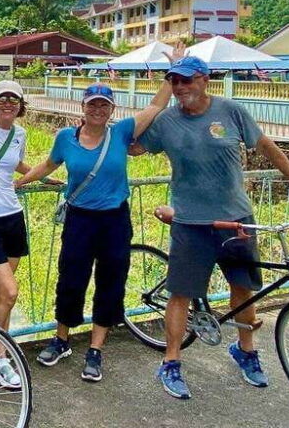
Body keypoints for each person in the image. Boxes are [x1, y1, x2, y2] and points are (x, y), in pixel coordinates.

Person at [131, 55, 289, 400]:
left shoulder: (231, 111)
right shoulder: (166, 121)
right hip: (190, 222)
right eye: (174, 81)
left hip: (236, 219)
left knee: (242, 288)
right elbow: (132, 147)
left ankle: (245, 351)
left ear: (205, 80)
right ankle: (171, 361)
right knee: (181, 293)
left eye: (186, 80)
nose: (180, 87)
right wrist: (152, 108)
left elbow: (266, 146)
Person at [15, 68, 177, 383]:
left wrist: (171, 75)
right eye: (93, 105)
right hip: (79, 219)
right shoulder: (65, 138)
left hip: (114, 219)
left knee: (110, 281)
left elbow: (156, 106)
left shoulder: (121, 133)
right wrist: (21, 181)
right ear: (83, 107)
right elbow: (49, 164)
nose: (98, 110)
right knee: (71, 279)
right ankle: (61, 339)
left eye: (104, 105)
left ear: (112, 109)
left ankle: (95, 349)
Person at [0, 80, 63, 389]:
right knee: (10, 291)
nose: (8, 103)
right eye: (2, 98)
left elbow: (13, 162)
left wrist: (37, 175)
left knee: (3, 294)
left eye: (14, 99)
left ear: (20, 105)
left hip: (12, 216)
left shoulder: (19, 133)